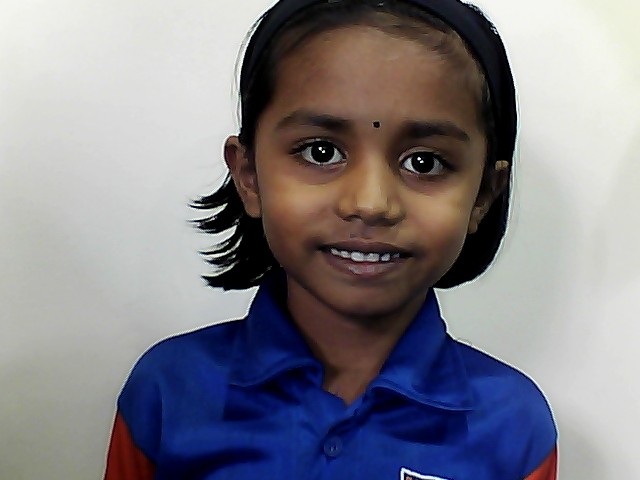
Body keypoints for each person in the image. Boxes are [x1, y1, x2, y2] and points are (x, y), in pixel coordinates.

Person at [104, 0, 558, 478]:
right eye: (321, 152)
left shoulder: (514, 428)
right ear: (250, 176)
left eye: (423, 162)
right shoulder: (168, 391)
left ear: (482, 195)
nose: (371, 203)